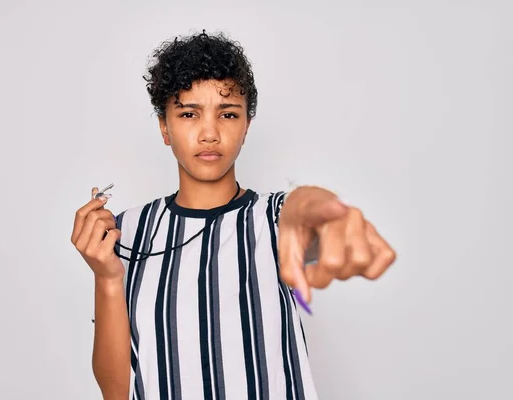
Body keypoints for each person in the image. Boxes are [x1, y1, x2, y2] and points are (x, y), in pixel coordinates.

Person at [71, 30, 396, 400]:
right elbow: (116, 393)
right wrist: (108, 278)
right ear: (165, 127)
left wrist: (323, 209)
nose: (209, 133)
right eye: (189, 113)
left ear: (246, 126)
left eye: (227, 114)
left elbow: (312, 216)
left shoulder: (271, 218)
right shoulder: (125, 233)